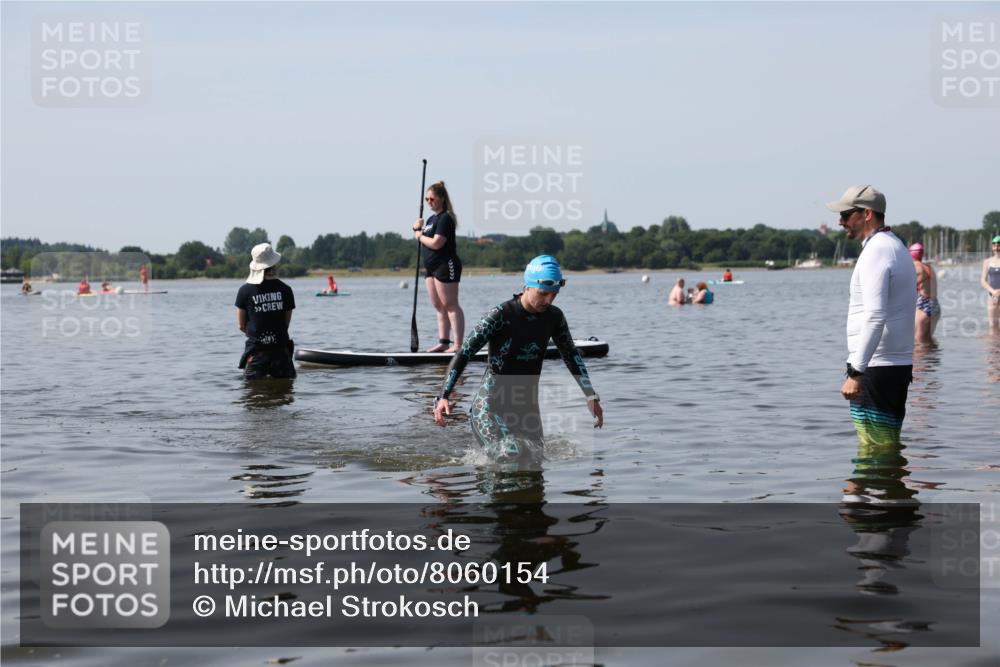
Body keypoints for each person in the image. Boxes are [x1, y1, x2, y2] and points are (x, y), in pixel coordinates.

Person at [432, 255, 603, 464]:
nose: (549, 300)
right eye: (543, 293)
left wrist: (590, 395)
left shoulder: (554, 318)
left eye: (554, 294)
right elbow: (464, 353)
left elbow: (571, 355)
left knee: (536, 462)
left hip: (526, 408)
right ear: (527, 286)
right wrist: (443, 396)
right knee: (510, 453)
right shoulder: (500, 315)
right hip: (490, 407)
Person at [828, 185, 916, 464]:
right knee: (883, 447)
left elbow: (875, 315)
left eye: (846, 215)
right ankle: (889, 489)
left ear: (867, 214)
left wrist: (856, 372)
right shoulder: (893, 245)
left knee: (875, 451)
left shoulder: (877, 250)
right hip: (889, 364)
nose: (840, 221)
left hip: (875, 366)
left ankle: (881, 491)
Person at [412, 181, 465, 353]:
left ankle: (458, 345)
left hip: (446, 264)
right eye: (426, 199)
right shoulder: (430, 220)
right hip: (431, 268)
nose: (429, 202)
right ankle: (444, 342)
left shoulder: (445, 218)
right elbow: (424, 240)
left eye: (432, 199)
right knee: (439, 306)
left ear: (441, 198)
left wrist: (418, 235)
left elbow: (436, 243)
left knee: (451, 305)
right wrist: (417, 228)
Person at [235, 243, 296, 380]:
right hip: (281, 352)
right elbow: (286, 324)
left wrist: (259, 336)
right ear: (273, 264)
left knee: (252, 390)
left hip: (257, 353)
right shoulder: (286, 289)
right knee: (285, 389)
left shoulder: (244, 291)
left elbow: (241, 325)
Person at [908, 243, 940, 343]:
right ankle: (935, 354)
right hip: (935, 305)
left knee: (919, 343)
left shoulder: (915, 267)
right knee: (929, 340)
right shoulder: (929, 267)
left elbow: (905, 287)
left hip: (923, 305)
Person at [981, 235, 1000, 333]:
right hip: (992, 296)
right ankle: (994, 343)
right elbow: (983, 281)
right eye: (994, 245)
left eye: (999, 245)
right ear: (992, 247)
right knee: (992, 325)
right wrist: (993, 292)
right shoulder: (987, 262)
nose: (997, 248)